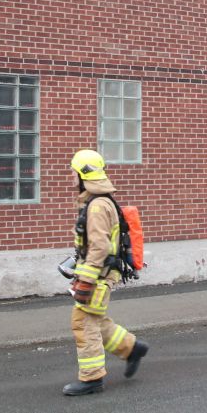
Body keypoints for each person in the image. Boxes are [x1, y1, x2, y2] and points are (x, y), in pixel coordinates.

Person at [63, 149, 148, 396]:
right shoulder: (98, 201)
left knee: (83, 323)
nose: (71, 176)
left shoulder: (97, 206)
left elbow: (99, 247)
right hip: (101, 274)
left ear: (83, 175)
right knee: (95, 320)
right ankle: (131, 348)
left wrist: (86, 281)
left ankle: (92, 378)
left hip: (98, 277)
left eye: (74, 172)